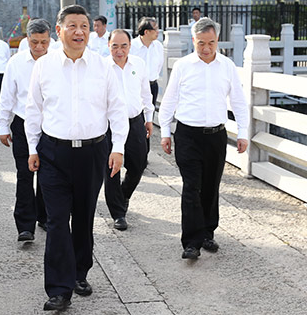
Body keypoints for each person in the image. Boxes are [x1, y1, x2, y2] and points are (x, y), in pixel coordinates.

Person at [26, 4, 128, 312]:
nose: (79, 31)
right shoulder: (44, 66)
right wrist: (32, 148)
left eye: (84, 25)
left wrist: (118, 147)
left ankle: (80, 272)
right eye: (72, 26)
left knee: (83, 217)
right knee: (57, 220)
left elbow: (117, 109)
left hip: (92, 152)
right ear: (59, 31)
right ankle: (59, 288)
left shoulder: (102, 66)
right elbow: (34, 108)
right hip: (53, 153)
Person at [158, 17, 249, 260]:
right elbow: (169, 100)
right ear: (193, 41)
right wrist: (165, 132)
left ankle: (208, 232)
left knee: (210, 186)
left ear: (217, 40)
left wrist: (243, 133)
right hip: (188, 135)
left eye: (211, 43)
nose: (206, 48)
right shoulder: (183, 66)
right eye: (201, 43)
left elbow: (238, 101)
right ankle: (191, 241)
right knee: (191, 187)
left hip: (216, 136)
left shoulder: (227, 66)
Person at [0, 19, 51, 242]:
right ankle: (24, 225)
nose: (39, 47)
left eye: (44, 42)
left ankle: (45, 216)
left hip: (50, 126)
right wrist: (2, 125)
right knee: (24, 174)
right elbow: (7, 96)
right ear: (27, 40)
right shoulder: (16, 63)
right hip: (22, 124)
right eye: (35, 42)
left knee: (48, 176)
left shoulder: (57, 61)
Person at [104, 29, 154, 231]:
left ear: (130, 46)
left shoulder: (138, 65)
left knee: (138, 164)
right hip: (109, 124)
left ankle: (123, 195)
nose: (119, 50)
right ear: (109, 46)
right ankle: (118, 213)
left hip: (135, 121)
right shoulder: (102, 67)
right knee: (111, 169)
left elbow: (146, 93)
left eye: (123, 45)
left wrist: (149, 118)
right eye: (115, 46)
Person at [130, 17, 164, 107]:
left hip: (152, 86)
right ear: (146, 32)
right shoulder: (132, 46)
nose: (158, 31)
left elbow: (159, 66)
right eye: (155, 29)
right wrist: (134, 75)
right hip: (136, 86)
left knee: (150, 116)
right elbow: (129, 68)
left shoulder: (158, 46)